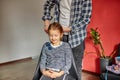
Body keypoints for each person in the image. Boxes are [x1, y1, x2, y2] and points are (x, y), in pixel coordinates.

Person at [42, 0, 92, 80]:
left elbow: (86, 19)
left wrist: (67, 29)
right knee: (58, 64)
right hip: (60, 36)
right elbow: (47, 4)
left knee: (76, 66)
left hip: (77, 37)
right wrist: (46, 22)